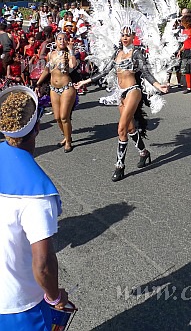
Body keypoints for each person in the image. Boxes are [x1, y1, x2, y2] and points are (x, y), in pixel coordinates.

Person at [0, 86, 68, 329]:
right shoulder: (39, 192)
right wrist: (55, 297)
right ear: (37, 128)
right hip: (17, 305)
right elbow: (42, 264)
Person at [75, 25, 168, 181]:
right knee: (130, 128)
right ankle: (144, 153)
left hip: (133, 90)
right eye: (123, 35)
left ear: (133, 37)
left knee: (121, 128)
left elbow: (145, 72)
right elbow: (104, 72)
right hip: (120, 93)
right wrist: (86, 81)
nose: (125, 37)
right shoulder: (117, 53)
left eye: (128, 35)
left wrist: (158, 85)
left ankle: (120, 166)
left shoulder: (136, 53)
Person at [35, 32, 77, 152]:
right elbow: (47, 70)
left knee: (64, 117)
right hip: (53, 89)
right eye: (59, 39)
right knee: (57, 118)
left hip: (66, 88)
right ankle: (66, 136)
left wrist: (72, 51)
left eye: (64, 39)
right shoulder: (50, 54)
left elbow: (73, 65)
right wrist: (38, 83)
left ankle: (68, 142)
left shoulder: (68, 55)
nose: (62, 41)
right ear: (55, 41)